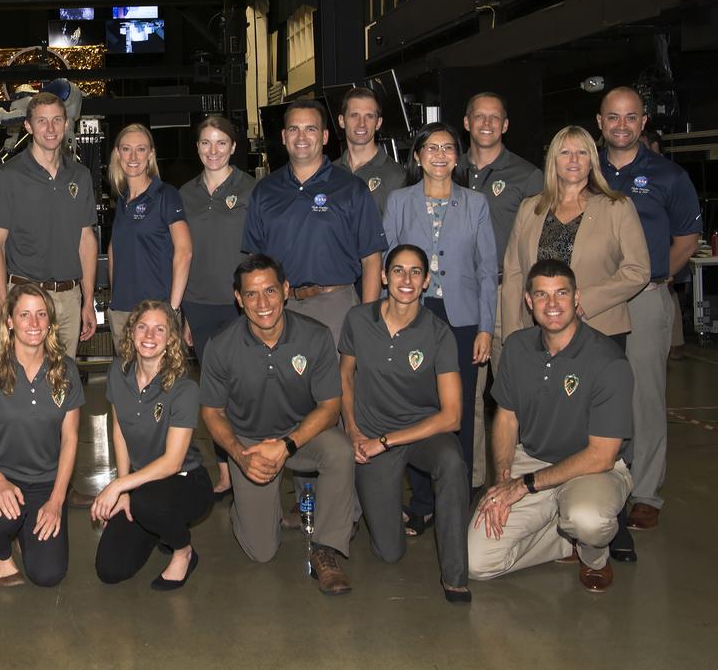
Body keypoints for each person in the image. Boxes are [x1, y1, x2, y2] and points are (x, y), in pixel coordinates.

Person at [468, 260, 634, 592]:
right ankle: (563, 539)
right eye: (541, 295)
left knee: (589, 519)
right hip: (532, 460)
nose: (552, 304)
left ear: (576, 298)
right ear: (529, 302)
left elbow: (601, 455)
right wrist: (503, 479)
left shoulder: (607, 360)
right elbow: (506, 417)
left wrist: (523, 486)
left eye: (561, 293)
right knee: (478, 564)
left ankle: (593, 555)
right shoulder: (517, 347)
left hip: (592, 469)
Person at [199, 254, 356, 595]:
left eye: (270, 291)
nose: (262, 303)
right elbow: (212, 413)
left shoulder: (314, 337)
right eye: (251, 294)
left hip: (299, 437)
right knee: (262, 552)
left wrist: (286, 445)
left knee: (340, 449)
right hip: (249, 445)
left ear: (285, 290)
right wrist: (240, 456)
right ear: (238, 299)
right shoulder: (221, 345)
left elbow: (330, 408)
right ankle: (249, 504)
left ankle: (325, 550)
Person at [339, 245, 470, 603]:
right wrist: (352, 430)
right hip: (370, 436)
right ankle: (383, 502)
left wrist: (388, 440)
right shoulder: (358, 320)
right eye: (398, 270)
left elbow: (453, 416)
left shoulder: (439, 333)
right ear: (384, 276)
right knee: (389, 552)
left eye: (415, 272)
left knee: (452, 461)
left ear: (427, 280)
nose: (406, 280)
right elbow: (345, 377)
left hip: (421, 432)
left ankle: (456, 576)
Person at [597, 86, 701, 531]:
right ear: (599, 122)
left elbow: (687, 239)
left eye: (630, 117)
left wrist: (653, 279)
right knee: (595, 394)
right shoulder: (584, 170)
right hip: (594, 301)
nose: (622, 125)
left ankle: (644, 492)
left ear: (643, 123)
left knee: (644, 396)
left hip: (644, 300)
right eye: (613, 117)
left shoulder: (669, 176)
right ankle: (601, 477)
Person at [383, 122, 495, 534]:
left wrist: (485, 327)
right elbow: (386, 260)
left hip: (463, 320)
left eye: (449, 148)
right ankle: (424, 501)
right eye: (431, 148)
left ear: (458, 156)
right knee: (417, 406)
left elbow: (487, 270)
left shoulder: (476, 204)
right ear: (416, 156)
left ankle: (456, 501)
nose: (440, 155)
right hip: (413, 316)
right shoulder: (398, 201)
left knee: (459, 411)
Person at [0, 283, 82, 587]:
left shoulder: (66, 370)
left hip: (44, 484)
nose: (34, 324)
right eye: (25, 315)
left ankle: (24, 531)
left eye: (41, 315)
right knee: (5, 515)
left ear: (50, 321)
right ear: (9, 322)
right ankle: (1, 552)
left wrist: (56, 500)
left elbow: (69, 439)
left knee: (48, 575)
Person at [243, 99, 386, 343]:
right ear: (284, 137)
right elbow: (253, 260)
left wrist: (367, 319)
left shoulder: (351, 189)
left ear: (325, 136)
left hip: (336, 308)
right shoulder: (264, 191)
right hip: (279, 308)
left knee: (338, 381)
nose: (302, 136)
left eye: (311, 129)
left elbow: (372, 260)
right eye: (293, 129)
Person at [456, 92, 543, 489]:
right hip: (460, 299)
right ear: (467, 122)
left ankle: (523, 483)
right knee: (466, 397)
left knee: (517, 395)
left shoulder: (528, 177)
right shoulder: (448, 169)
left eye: (495, 117)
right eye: (479, 117)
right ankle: (471, 485)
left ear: (505, 125)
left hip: (507, 300)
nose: (487, 124)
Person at [93, 300, 212, 589]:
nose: (149, 336)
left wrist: (120, 487)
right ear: (131, 332)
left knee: (147, 502)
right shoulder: (117, 373)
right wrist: (124, 485)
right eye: (143, 327)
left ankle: (183, 551)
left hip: (186, 481)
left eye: (160, 329)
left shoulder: (184, 388)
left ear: (171, 338)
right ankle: (159, 528)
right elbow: (119, 428)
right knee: (110, 569)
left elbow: (172, 462)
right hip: (143, 485)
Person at [500, 125, 650, 342]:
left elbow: (638, 270)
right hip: (537, 333)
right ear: (553, 160)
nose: (573, 159)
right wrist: (513, 335)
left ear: (592, 161)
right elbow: (513, 274)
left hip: (598, 330)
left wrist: (582, 302)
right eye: (565, 152)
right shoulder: (529, 209)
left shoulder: (617, 207)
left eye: (582, 152)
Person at [0, 91, 98, 358]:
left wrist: (88, 300)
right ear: (28, 126)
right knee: (25, 386)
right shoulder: (8, 175)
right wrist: (4, 307)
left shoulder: (80, 175)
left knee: (63, 384)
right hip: (25, 296)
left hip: (70, 298)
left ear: (67, 123)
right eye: (42, 121)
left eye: (57, 120)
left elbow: (87, 241)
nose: (50, 128)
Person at [180, 115, 256, 498]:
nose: (213, 150)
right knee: (214, 394)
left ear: (233, 147)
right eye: (206, 143)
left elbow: (260, 250)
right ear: (197, 148)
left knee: (245, 389)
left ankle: (251, 461)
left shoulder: (250, 189)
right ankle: (226, 472)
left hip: (240, 306)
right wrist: (182, 314)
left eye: (221, 143)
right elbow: (177, 254)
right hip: (198, 305)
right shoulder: (185, 194)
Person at [106, 123, 192, 341]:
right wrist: (114, 301)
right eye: (126, 149)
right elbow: (115, 248)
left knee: (161, 375)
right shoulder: (123, 199)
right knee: (125, 375)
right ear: (118, 154)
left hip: (156, 313)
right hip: (122, 311)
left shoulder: (166, 195)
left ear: (150, 154)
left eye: (141, 149)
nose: (133, 156)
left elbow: (184, 253)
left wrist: (172, 309)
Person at [333, 87, 407, 216]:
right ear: (341, 121)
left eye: (369, 116)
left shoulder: (397, 177)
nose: (361, 123)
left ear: (378, 123)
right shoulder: (329, 172)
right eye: (354, 115)